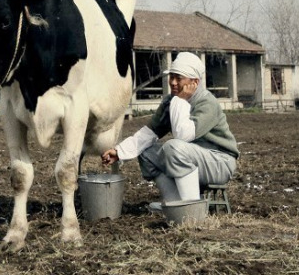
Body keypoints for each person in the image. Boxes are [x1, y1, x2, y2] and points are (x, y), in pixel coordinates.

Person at [102, 52, 239, 207]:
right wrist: (119, 151)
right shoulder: (171, 101)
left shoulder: (206, 102)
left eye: (178, 78)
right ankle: (173, 204)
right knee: (146, 152)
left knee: (173, 147)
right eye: (171, 77)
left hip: (219, 162)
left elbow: (183, 136)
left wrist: (180, 101)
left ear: (194, 81)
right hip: (193, 157)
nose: (173, 82)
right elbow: (149, 133)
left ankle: (191, 208)